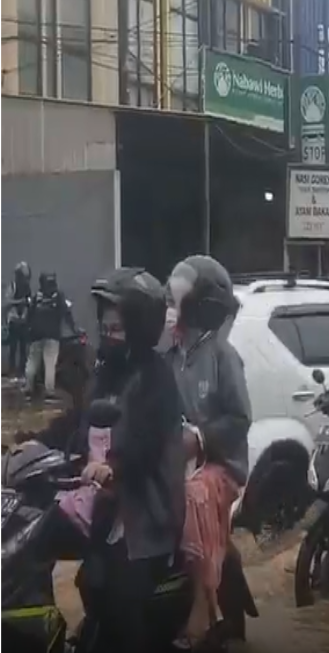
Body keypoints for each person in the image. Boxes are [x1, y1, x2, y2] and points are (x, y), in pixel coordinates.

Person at [65, 268, 185, 653]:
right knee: (89, 581)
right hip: (104, 508)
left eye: (117, 328)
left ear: (139, 327)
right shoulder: (105, 374)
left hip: (144, 516)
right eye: (106, 327)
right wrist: (32, 445)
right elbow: (78, 423)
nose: (109, 334)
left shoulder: (156, 377)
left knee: (121, 596)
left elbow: (145, 443)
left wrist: (113, 465)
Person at [163, 255, 252, 647]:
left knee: (194, 495)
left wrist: (198, 438)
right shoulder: (171, 356)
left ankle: (202, 605)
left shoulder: (222, 356)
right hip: (180, 463)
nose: (168, 311)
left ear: (200, 307)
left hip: (222, 465)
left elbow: (239, 419)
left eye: (175, 302)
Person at [26, 271, 78, 399]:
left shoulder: (36, 297)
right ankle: (49, 391)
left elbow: (29, 316)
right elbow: (66, 313)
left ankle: (28, 387)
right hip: (52, 336)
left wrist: (28, 330)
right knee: (50, 363)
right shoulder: (58, 296)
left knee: (32, 362)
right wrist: (74, 329)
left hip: (36, 335)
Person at [6, 261, 33, 380]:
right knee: (13, 348)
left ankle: (21, 372)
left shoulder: (28, 288)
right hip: (14, 320)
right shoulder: (12, 286)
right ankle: (12, 372)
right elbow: (6, 302)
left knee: (23, 349)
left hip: (23, 321)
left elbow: (30, 302)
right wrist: (19, 302)